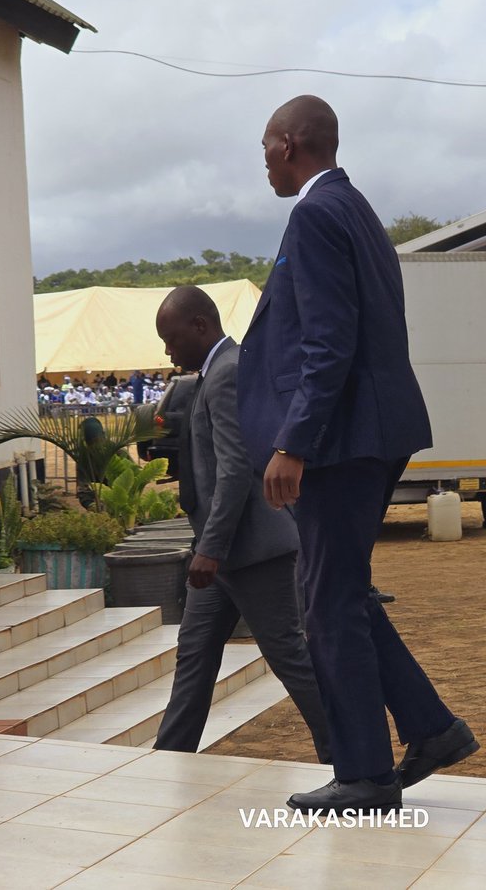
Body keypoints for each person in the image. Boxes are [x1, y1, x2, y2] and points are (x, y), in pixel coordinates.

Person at [238, 95, 477, 814]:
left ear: (287, 143)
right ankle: (433, 731)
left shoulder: (314, 214)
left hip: (339, 444)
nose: (264, 164)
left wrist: (293, 443)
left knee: (326, 602)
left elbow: (328, 341)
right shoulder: (355, 207)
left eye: (265, 148)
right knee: (342, 593)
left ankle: (366, 774)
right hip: (367, 434)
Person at [151, 285, 330, 760]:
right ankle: (167, 759)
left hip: (251, 552)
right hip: (223, 555)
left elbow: (235, 470)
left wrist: (210, 548)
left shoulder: (227, 372)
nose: (167, 351)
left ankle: (352, 757)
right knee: (194, 657)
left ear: (200, 326)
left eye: (171, 339)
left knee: (289, 657)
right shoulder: (219, 371)